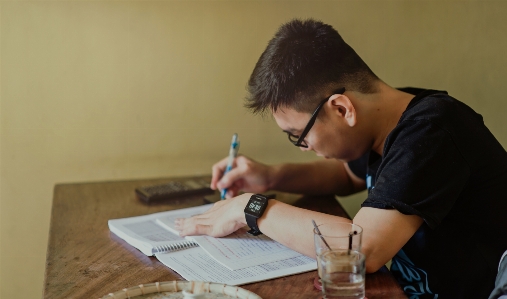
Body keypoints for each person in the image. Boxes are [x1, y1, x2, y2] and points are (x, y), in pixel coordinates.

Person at [174, 19, 507, 298]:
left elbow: (362, 249)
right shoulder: (390, 118)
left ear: (341, 108)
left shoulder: (432, 131)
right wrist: (272, 176)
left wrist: (252, 208)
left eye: (299, 136)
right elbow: (350, 176)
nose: (303, 147)